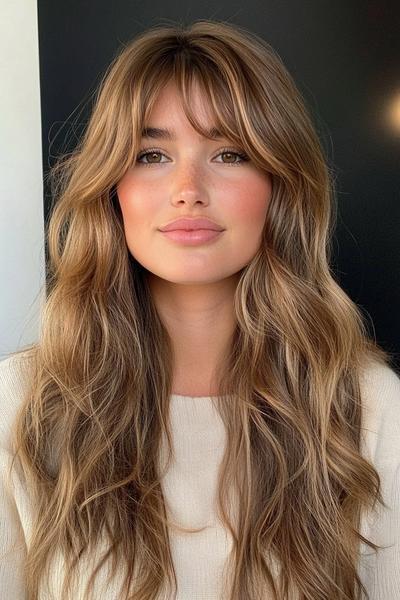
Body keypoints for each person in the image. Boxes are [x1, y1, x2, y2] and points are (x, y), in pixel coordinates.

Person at [0, 19, 399, 600]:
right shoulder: (21, 404)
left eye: (230, 153)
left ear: (279, 183)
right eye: (152, 153)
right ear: (113, 187)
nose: (188, 187)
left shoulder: (368, 407)